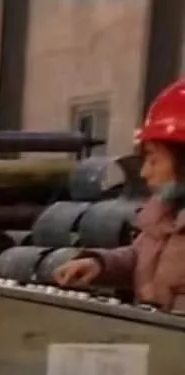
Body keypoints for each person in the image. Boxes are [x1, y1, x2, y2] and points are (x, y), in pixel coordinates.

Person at [54, 81, 185, 308]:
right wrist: (100, 265)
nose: (144, 172)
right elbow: (142, 257)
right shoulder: (166, 215)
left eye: (154, 160)